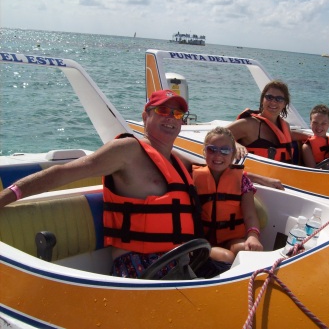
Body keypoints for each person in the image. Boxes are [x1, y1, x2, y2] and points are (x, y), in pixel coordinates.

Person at [0, 89, 204, 279]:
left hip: (182, 260)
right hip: (141, 267)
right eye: (162, 110)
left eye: (177, 114)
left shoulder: (179, 163)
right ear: (145, 117)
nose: (170, 117)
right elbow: (62, 173)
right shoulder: (127, 150)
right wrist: (8, 196)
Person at [192, 127, 263, 265]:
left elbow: (250, 216)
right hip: (200, 240)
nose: (218, 155)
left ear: (233, 154)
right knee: (226, 257)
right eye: (212, 149)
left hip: (231, 239)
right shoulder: (191, 178)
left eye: (225, 151)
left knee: (247, 249)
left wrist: (253, 236)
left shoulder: (242, 181)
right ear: (204, 151)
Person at [226, 80, 309, 163]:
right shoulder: (249, 124)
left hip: (282, 173)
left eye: (279, 99)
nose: (273, 102)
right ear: (262, 100)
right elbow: (216, 135)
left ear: (284, 104)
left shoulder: (284, 126)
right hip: (253, 174)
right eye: (269, 97)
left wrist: (313, 137)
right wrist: (235, 145)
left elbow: (290, 135)